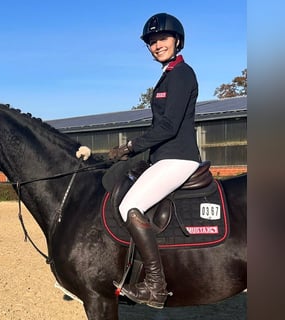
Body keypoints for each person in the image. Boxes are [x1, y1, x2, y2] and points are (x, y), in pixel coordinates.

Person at [76, 13, 201, 309]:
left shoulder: (182, 74)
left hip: (179, 158)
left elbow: (169, 127)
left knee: (130, 206)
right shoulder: (167, 75)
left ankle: (155, 285)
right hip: (162, 157)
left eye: (162, 40)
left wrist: (131, 147)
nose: (157, 46)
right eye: (152, 42)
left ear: (177, 41)